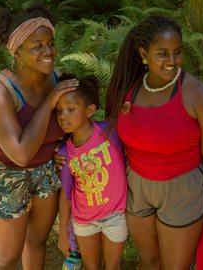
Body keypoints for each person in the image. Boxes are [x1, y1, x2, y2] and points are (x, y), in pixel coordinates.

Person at [105, 15, 203, 269]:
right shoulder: (129, 88)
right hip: (137, 188)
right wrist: (67, 151)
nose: (172, 61)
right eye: (162, 53)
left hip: (182, 191)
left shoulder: (200, 98)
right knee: (149, 262)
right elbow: (110, 137)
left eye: (177, 52)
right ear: (143, 53)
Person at [0, 4, 79, 270]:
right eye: (37, 46)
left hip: (45, 171)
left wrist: (61, 150)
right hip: (8, 173)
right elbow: (21, 154)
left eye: (51, 43)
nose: (48, 52)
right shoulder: (0, 90)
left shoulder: (58, 79)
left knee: (36, 243)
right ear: (17, 52)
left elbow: (72, 128)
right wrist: (49, 101)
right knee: (6, 257)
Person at [56, 74, 128, 270]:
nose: (63, 115)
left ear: (90, 110)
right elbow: (66, 195)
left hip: (115, 216)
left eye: (71, 109)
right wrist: (63, 235)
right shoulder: (64, 152)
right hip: (84, 221)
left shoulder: (111, 132)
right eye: (59, 110)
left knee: (113, 267)